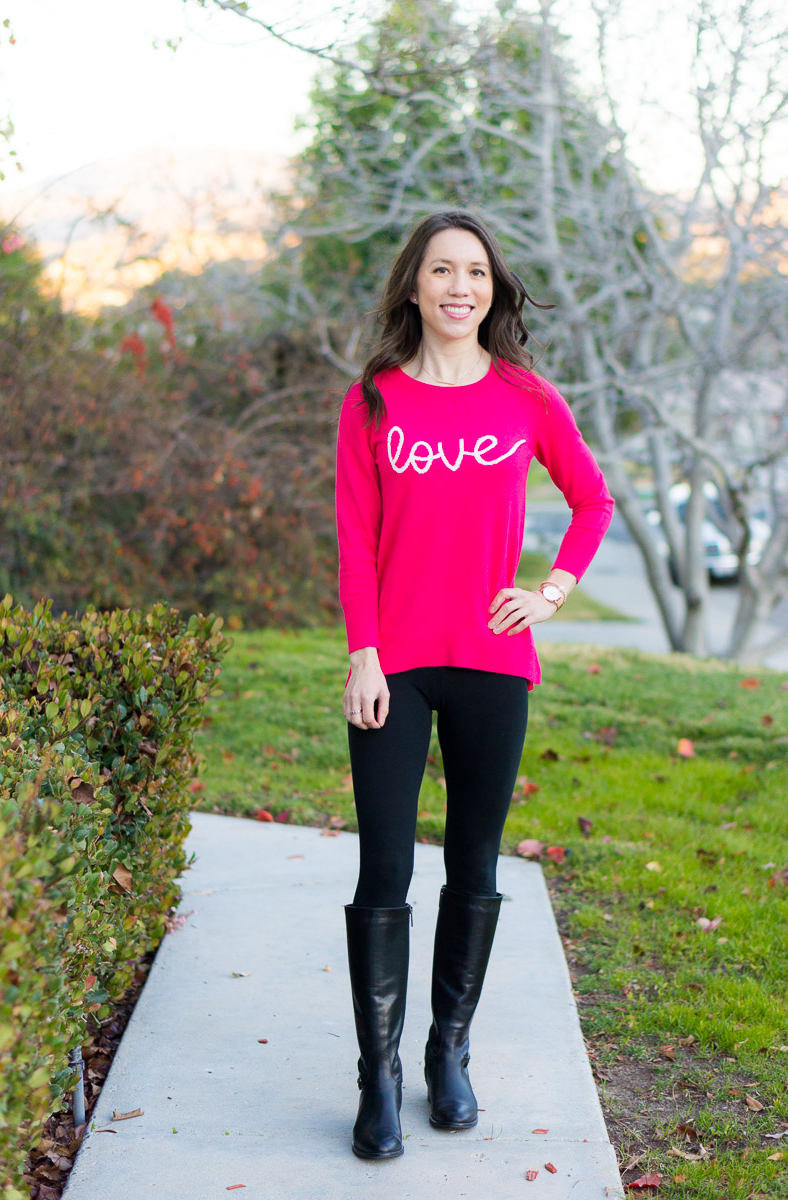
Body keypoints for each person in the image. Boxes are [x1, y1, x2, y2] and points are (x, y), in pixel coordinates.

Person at [334, 209, 614, 1161]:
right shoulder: (372, 401)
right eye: (443, 271)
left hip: (493, 663)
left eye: (478, 275)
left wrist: (552, 591)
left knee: (475, 864)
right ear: (413, 284)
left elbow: (592, 498)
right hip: (396, 667)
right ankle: (377, 1076)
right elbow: (355, 541)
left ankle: (448, 1050)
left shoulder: (526, 399)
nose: (460, 288)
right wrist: (363, 655)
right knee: (385, 868)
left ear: (493, 293)